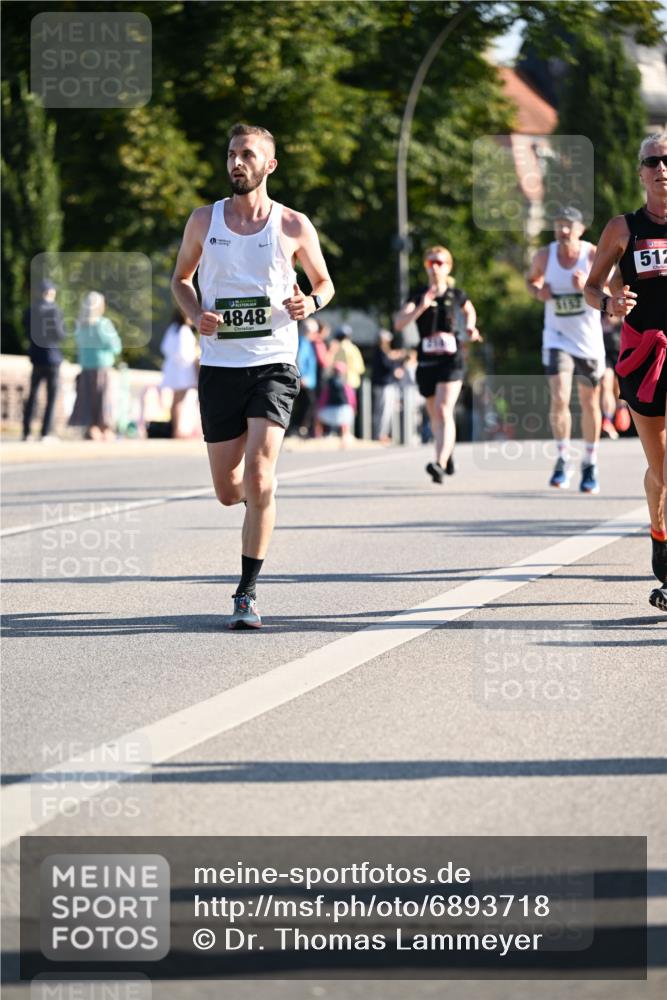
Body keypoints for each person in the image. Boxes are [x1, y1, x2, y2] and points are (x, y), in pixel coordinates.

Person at [171, 122, 334, 629]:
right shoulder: (204, 220)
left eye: (247, 155)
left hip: (274, 361)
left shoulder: (292, 225)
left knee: (261, 476)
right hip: (220, 365)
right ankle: (253, 502)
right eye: (231, 155)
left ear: (269, 165)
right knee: (228, 489)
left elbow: (325, 283)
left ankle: (246, 591)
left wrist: (309, 301)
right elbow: (180, 279)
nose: (236, 163)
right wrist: (194, 313)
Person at [584, 132, 667, 612]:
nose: (662, 168)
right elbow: (591, 288)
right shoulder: (623, 228)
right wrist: (610, 302)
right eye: (652, 161)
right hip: (643, 355)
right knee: (660, 470)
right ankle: (659, 530)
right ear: (640, 171)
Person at [526, 206, 607, 493]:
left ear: (580, 230)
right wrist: (539, 292)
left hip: (588, 340)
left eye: (569, 226)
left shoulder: (592, 254)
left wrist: (588, 285)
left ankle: (590, 461)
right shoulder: (544, 256)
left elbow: (611, 291)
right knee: (559, 395)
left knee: (589, 401)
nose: (563, 231)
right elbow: (530, 280)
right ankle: (562, 457)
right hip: (556, 337)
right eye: (559, 225)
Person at [394, 245, 481, 483]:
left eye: (440, 263)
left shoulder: (457, 294)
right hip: (427, 362)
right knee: (435, 416)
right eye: (430, 262)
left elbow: (469, 312)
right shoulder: (418, 294)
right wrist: (422, 305)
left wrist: (471, 327)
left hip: (451, 360)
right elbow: (399, 323)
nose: (434, 267)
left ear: (448, 267)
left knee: (443, 410)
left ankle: (439, 463)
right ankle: (447, 452)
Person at [68, 291, 122, 440]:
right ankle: (104, 429)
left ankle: (91, 429)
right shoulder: (103, 324)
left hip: (85, 367)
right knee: (103, 400)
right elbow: (116, 346)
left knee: (87, 400)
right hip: (102, 366)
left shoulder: (80, 325)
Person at [22, 278, 66, 441]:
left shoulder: (31, 310)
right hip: (52, 357)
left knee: (32, 395)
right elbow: (60, 334)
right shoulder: (54, 310)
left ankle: (26, 431)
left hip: (36, 357)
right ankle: (45, 432)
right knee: (51, 397)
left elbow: (26, 329)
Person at [160, 307, 199, 438]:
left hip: (173, 370)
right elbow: (185, 354)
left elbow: (164, 348)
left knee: (176, 400)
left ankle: (175, 428)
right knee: (179, 401)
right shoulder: (183, 331)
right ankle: (177, 430)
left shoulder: (172, 329)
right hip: (182, 371)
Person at [371, 329, 404, 443]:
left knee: (387, 411)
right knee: (382, 411)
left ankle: (383, 434)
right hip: (383, 385)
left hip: (387, 385)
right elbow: (387, 365)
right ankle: (379, 434)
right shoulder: (380, 352)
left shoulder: (384, 351)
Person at [288, 318, 318, 437]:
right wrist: (301, 376)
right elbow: (298, 359)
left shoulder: (305, 342)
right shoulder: (302, 342)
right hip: (304, 381)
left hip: (308, 381)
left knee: (306, 404)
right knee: (306, 404)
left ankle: (300, 428)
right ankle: (299, 428)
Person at [317, 361, 356, 446]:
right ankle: (345, 438)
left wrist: (319, 408)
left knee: (317, 418)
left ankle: (318, 436)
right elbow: (351, 399)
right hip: (344, 409)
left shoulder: (328, 383)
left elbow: (323, 398)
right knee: (345, 424)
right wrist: (353, 409)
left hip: (331, 410)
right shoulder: (346, 383)